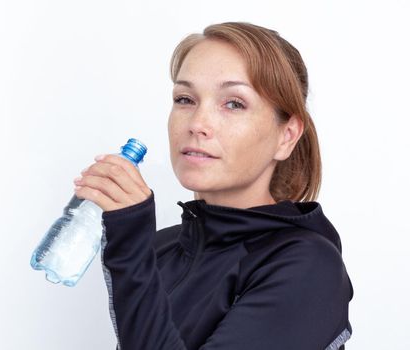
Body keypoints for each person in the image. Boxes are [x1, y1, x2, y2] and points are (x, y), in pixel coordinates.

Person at [73, 22, 353, 350]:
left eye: (233, 103)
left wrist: (131, 248)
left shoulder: (308, 267)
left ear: (286, 136)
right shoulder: (163, 248)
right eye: (185, 99)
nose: (197, 124)